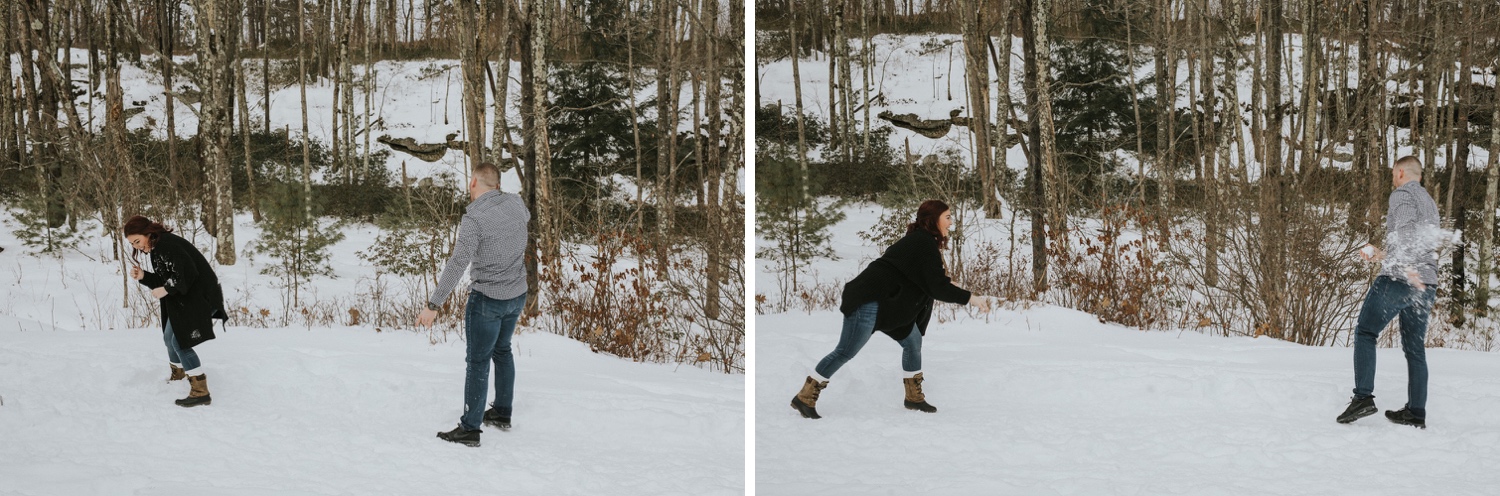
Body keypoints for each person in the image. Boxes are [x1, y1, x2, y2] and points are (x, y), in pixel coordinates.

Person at [790, 200, 996, 419]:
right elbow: (935, 287)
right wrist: (970, 298)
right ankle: (804, 397)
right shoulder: (922, 242)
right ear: (932, 220)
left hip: (892, 306)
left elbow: (923, 277)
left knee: (913, 342)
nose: (951, 222)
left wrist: (949, 284)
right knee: (845, 351)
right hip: (869, 301)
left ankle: (913, 398)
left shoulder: (922, 242)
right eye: (947, 217)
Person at [417, 162, 531, 447]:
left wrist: (434, 304)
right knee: (502, 350)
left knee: (478, 362)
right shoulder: (517, 204)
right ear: (498, 184)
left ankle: (470, 428)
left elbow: (458, 263)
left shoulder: (474, 218)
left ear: (473, 183)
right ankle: (502, 413)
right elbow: (523, 221)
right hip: (516, 295)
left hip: (488, 300)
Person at [1336, 155, 1442, 429]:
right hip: (1426, 282)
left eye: (1393, 173)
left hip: (1402, 278)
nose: (1392, 178)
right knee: (1415, 349)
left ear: (1400, 172)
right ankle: (1416, 412)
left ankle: (1363, 398)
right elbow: (1419, 243)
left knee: (1365, 332)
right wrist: (1383, 254)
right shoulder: (1429, 203)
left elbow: (1406, 236)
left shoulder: (1401, 194)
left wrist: (1396, 264)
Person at [124, 215, 228, 407]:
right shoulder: (157, 248)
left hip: (200, 298)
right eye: (133, 244)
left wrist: (166, 289)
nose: (137, 247)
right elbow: (168, 279)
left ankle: (200, 391)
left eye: (138, 241)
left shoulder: (168, 245)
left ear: (148, 233)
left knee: (179, 341)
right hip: (185, 297)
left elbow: (186, 275)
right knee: (168, 338)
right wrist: (144, 276)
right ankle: (178, 375)